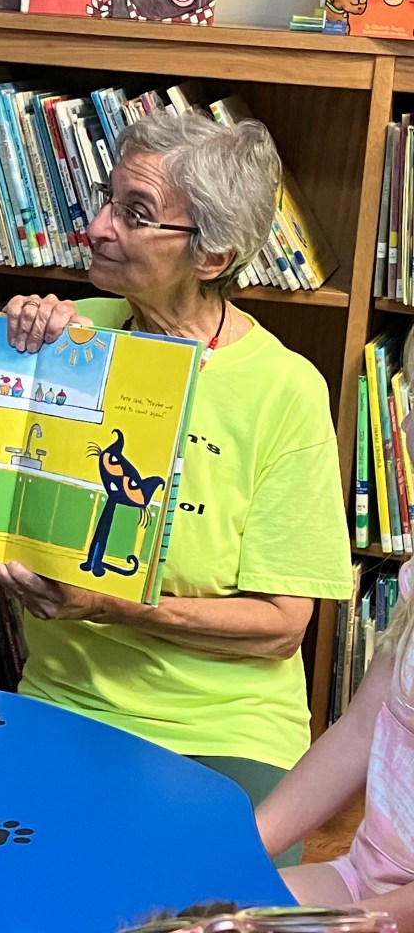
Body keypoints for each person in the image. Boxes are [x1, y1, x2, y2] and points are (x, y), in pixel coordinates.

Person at [0, 112, 353, 862]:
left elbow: (282, 625)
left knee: (202, 901)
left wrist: (109, 606)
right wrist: (3, 343)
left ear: (211, 255)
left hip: (223, 726)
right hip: (63, 703)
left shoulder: (284, 391)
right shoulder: (71, 334)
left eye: (135, 213)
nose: (97, 227)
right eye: (107, 199)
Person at [256, 334, 414, 932]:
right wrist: (235, 855)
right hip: (361, 881)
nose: (406, 428)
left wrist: (338, 922)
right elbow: (360, 729)